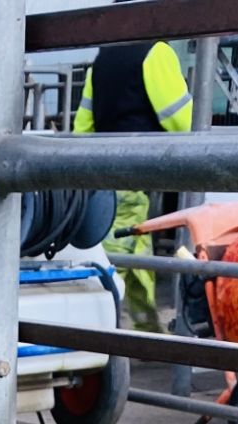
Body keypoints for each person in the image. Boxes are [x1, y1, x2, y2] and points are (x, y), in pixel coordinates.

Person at [74, 36, 193, 329]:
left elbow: (83, 125)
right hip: (136, 170)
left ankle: (145, 331)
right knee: (116, 261)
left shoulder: (104, 55)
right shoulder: (157, 52)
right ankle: (97, 332)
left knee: (134, 252)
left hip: (101, 172)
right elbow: (181, 121)